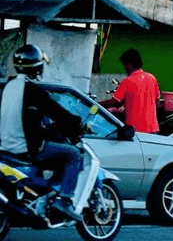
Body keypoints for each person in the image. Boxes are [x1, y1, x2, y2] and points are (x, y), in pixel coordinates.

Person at [0, 44, 86, 219]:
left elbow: (26, 118)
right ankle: (64, 199)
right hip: (28, 148)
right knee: (74, 154)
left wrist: (48, 128)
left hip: (6, 147)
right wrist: (79, 125)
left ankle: (44, 192)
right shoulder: (33, 90)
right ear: (37, 67)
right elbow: (59, 113)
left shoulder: (8, 87)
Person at [100, 48, 160, 134]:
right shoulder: (152, 78)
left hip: (134, 130)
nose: (125, 69)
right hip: (152, 130)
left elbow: (115, 102)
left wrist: (97, 104)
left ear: (130, 64)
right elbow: (156, 101)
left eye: (125, 65)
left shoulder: (127, 81)